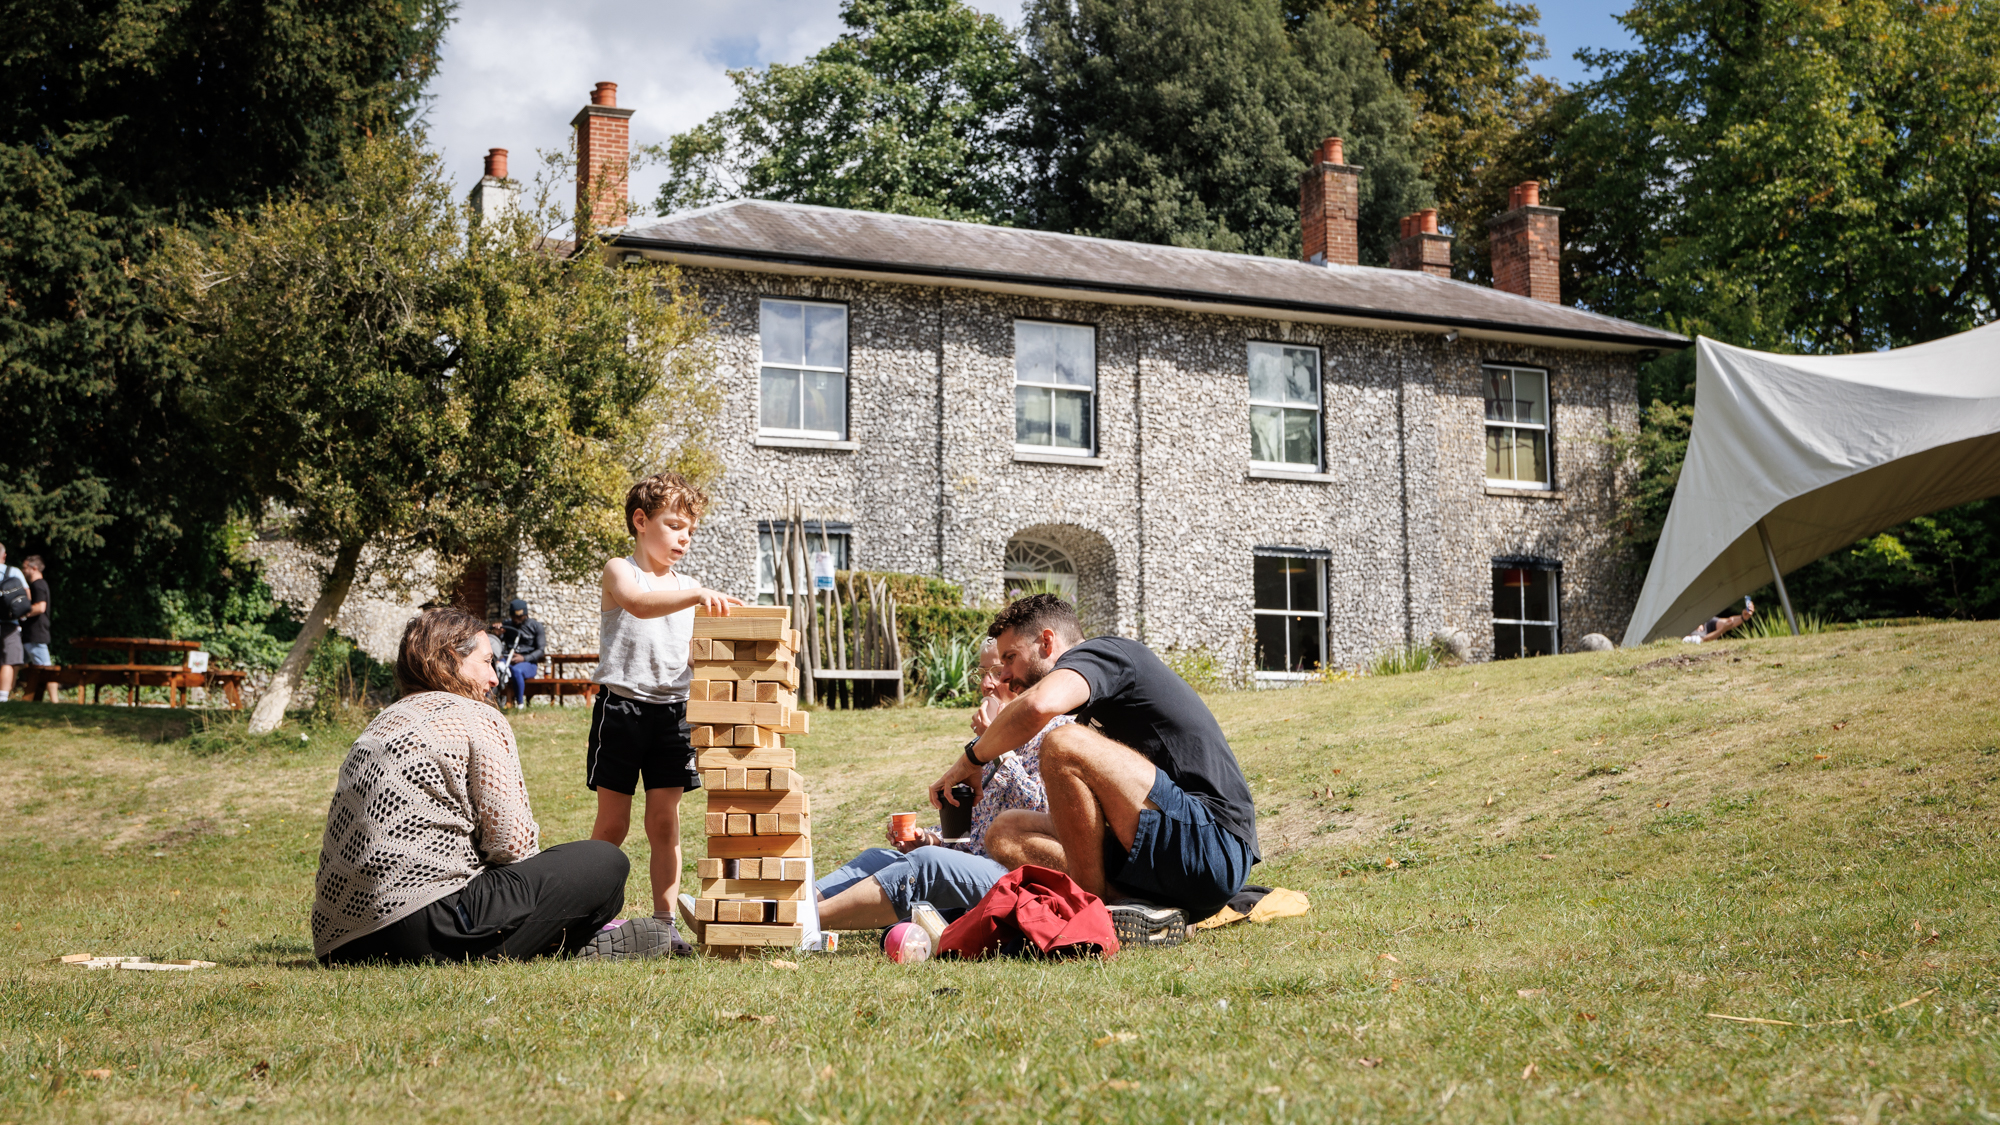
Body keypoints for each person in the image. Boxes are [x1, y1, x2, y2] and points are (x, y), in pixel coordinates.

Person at [313, 607, 671, 964]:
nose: (494, 678)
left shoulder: (380, 724)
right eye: (486, 662)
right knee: (603, 862)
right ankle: (562, 942)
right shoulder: (474, 715)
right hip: (427, 928)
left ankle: (558, 942)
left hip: (340, 943)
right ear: (452, 658)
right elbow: (512, 845)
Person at [930, 594, 1259, 948]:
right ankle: (1142, 911)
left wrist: (970, 762)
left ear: (1047, 641)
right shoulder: (1092, 701)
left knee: (1063, 743)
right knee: (1005, 833)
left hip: (1211, 844)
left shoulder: (1107, 653)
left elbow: (1038, 705)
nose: (1006, 675)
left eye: (1010, 658)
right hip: (1162, 854)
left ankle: (1090, 915)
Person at [589, 472, 743, 955]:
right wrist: (698, 595)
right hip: (621, 711)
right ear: (640, 521)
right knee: (613, 824)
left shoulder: (688, 587)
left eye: (690, 531)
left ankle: (663, 923)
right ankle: (596, 917)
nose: (684, 538)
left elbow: (693, 655)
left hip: (673, 716)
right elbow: (638, 606)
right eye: (674, 525)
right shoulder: (621, 571)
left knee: (665, 822)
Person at [816, 639, 1071, 928]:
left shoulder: (1057, 732)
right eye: (981, 674)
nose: (987, 684)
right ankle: (790, 904)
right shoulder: (980, 750)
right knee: (879, 857)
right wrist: (930, 838)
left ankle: (803, 922)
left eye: (997, 670)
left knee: (925, 865)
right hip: (974, 866)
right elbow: (972, 829)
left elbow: (1044, 811)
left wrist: (996, 748)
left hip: (1019, 876)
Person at [498, 599, 547, 707]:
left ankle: (520, 704)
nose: (516, 620)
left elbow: (541, 650)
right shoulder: (507, 625)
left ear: (525, 614)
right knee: (496, 667)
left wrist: (524, 658)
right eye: (514, 617)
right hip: (508, 660)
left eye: (519, 617)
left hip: (528, 663)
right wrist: (499, 634)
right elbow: (498, 642)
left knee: (517, 670)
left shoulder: (536, 626)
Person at [0, 545, 25, 702]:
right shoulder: (13, 572)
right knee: (8, 661)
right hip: (9, 624)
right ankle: (3, 698)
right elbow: (25, 598)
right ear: (4, 555)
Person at [18, 556, 49, 672]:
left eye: (24, 567)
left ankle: (53, 691)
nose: (22, 571)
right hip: (31, 635)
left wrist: (20, 613)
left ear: (34, 568)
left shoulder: (38, 585)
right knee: (15, 665)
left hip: (35, 634)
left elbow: (40, 607)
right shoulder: (38, 584)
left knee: (47, 670)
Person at [1685, 599, 1754, 643]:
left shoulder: (1707, 621)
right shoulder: (1684, 631)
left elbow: (1728, 622)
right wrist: (1723, 630)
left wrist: (1743, 617)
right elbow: (1703, 640)